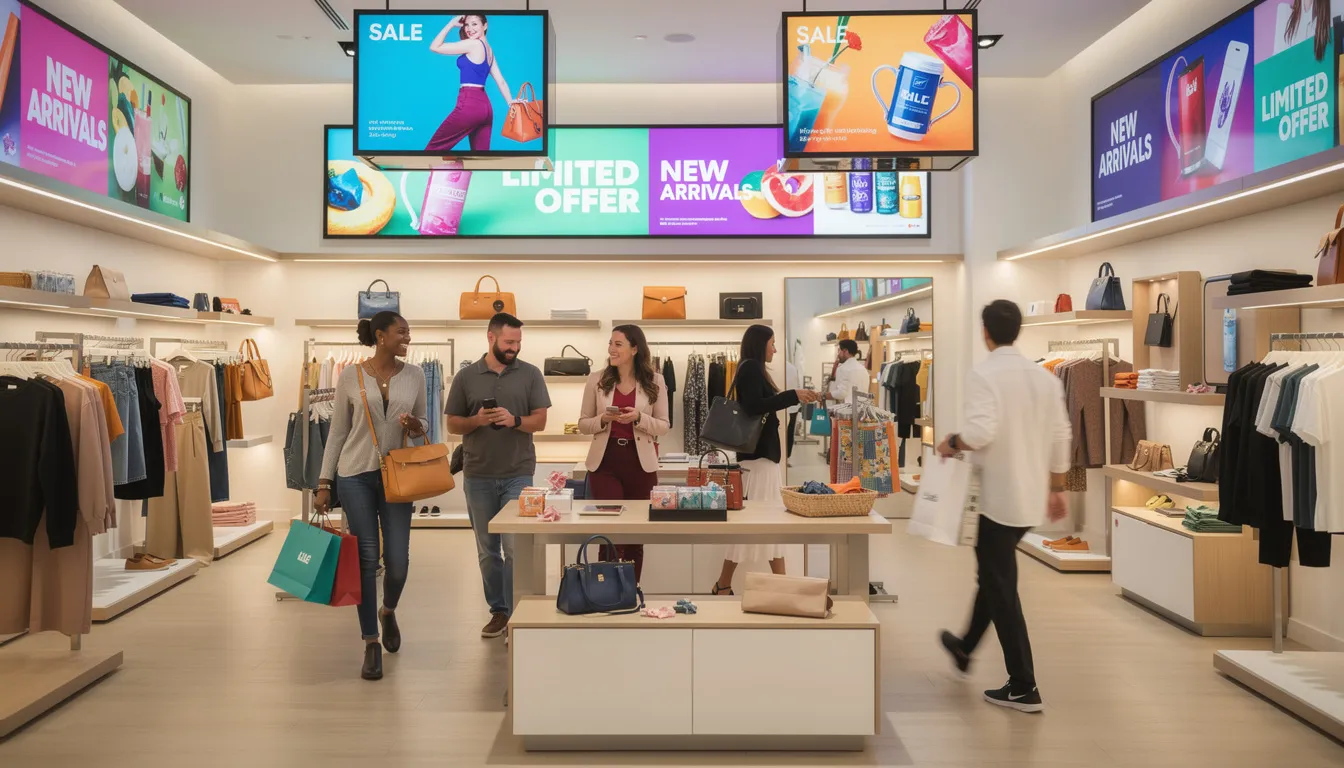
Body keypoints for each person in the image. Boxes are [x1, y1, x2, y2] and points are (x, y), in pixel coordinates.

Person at [935, 300, 1071, 714]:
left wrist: (952, 442)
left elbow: (981, 431)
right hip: (1029, 497)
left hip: (998, 499)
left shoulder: (985, 373)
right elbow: (1060, 433)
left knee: (1001, 586)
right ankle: (964, 646)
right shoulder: (1043, 377)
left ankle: (1023, 684)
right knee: (994, 577)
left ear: (985, 331)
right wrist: (1057, 486)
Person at [315, 311, 428, 682]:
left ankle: (388, 609)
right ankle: (370, 643)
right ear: (380, 336)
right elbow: (337, 433)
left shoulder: (414, 375)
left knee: (397, 561)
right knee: (365, 558)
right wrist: (323, 481)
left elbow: (424, 424)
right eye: (401, 332)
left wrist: (416, 426)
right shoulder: (350, 376)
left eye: (408, 332)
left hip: (398, 475)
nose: (407, 337)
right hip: (355, 475)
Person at [445, 313, 550, 639]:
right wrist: (477, 420)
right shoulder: (466, 377)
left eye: (518, 342)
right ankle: (499, 611)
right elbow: (452, 424)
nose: (514, 348)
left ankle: (518, 610)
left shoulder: (530, 374)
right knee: (487, 551)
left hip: (519, 472)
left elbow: (540, 421)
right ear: (490, 337)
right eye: (509, 342)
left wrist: (514, 420)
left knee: (515, 548)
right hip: (477, 474)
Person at [712, 324, 821, 595]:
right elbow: (752, 406)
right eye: (772, 343)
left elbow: (759, 404)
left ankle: (727, 585)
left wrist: (790, 396)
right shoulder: (749, 367)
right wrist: (790, 395)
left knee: (767, 525)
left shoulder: (753, 368)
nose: (774, 348)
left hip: (762, 461)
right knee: (761, 526)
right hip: (757, 461)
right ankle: (729, 584)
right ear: (760, 344)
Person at [578, 324, 670, 582]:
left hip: (641, 465)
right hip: (605, 463)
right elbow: (584, 423)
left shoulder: (656, 381)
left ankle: (630, 591)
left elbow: (663, 426)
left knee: (635, 535)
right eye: (610, 343)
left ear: (635, 348)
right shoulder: (596, 379)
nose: (611, 349)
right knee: (609, 533)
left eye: (618, 344)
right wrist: (604, 419)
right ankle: (603, 591)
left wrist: (639, 417)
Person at [425, 15, 519, 152]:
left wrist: (451, 23)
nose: (469, 29)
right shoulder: (489, 50)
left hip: (470, 103)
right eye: (467, 25)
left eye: (474, 24)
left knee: (431, 151)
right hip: (486, 108)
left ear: (485, 26)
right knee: (481, 160)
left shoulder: (473, 44)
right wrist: (511, 103)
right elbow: (501, 81)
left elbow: (435, 47)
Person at [827, 339, 869, 406]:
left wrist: (823, 395)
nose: (838, 354)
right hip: (863, 410)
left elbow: (841, 393)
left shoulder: (843, 369)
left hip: (847, 411)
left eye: (839, 350)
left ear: (845, 351)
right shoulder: (863, 369)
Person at [785, 357, 800, 461]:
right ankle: (787, 457)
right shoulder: (793, 368)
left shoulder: (776, 368)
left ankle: (783, 457)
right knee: (790, 432)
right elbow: (798, 385)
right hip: (793, 405)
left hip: (782, 405)